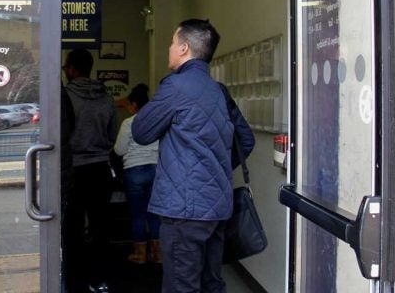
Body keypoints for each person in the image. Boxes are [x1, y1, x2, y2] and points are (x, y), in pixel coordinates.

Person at [132, 19, 255, 293]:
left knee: (181, 285)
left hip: (183, 209)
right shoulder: (219, 91)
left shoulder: (175, 87)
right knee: (211, 283)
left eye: (172, 42)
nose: (169, 48)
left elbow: (141, 131)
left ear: (184, 48)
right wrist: (216, 169)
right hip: (217, 205)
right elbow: (246, 141)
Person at [62, 49, 118, 293]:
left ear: (73, 69)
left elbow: (61, 135)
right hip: (100, 168)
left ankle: (74, 282)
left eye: (66, 68)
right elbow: (113, 135)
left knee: (72, 227)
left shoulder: (64, 97)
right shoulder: (106, 98)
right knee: (100, 227)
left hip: (74, 168)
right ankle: (100, 279)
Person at [113, 83, 161, 265]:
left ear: (134, 105)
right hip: (156, 170)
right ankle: (158, 254)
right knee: (155, 214)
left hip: (134, 171)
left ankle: (140, 254)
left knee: (138, 214)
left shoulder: (128, 123)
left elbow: (118, 150)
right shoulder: (157, 121)